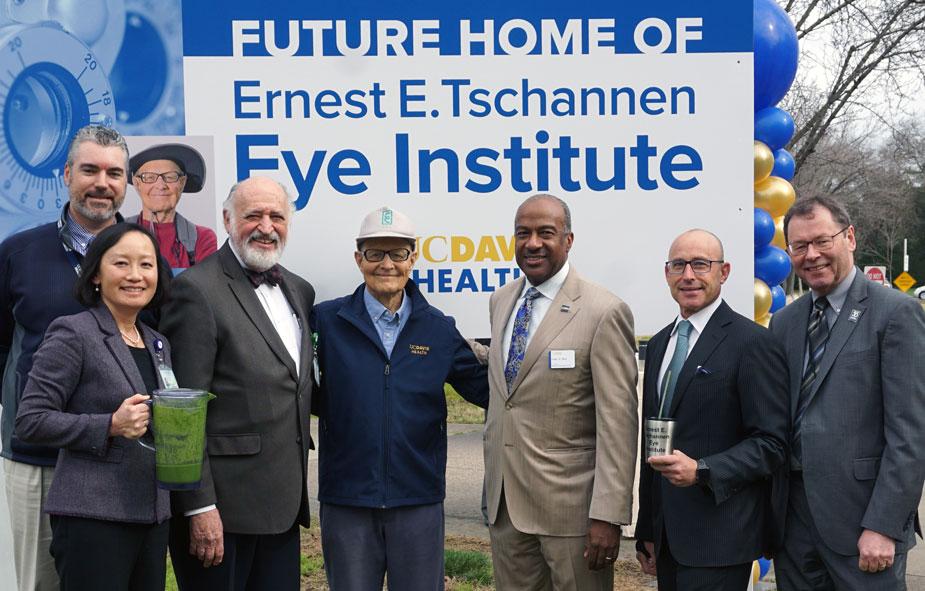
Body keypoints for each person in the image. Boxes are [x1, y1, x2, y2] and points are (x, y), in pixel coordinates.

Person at [312, 206, 489, 590]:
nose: (386, 264)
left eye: (397, 253)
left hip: (418, 500)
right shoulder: (325, 322)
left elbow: (489, 391)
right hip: (347, 499)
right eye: (375, 253)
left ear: (414, 257)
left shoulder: (438, 329)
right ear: (358, 258)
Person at [159, 177, 315, 591]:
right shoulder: (195, 291)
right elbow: (181, 411)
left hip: (281, 508)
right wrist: (199, 507)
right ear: (227, 220)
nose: (266, 226)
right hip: (221, 516)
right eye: (253, 215)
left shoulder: (299, 290)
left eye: (277, 216)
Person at [478, 193, 638, 590]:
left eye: (545, 233)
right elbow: (508, 394)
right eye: (523, 233)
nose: (533, 243)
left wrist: (608, 514)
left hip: (575, 518)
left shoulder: (604, 311)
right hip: (506, 508)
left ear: (568, 240)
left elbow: (618, 424)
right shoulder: (501, 301)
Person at [770, 196, 925, 590]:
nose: (812, 255)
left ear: (850, 237)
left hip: (863, 527)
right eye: (799, 246)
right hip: (794, 526)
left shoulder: (896, 313)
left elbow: (910, 434)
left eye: (823, 241)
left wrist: (884, 525)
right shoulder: (785, 322)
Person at [0, 124, 129, 591]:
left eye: (114, 173)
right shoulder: (19, 253)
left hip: (120, 457)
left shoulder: (143, 256)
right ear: (66, 173)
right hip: (37, 458)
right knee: (40, 582)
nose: (102, 183)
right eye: (89, 169)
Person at [15, 223, 173, 591]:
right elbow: (31, 420)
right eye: (122, 263)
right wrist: (109, 425)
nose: (135, 275)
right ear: (97, 275)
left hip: (151, 514)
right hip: (93, 517)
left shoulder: (158, 343)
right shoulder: (73, 332)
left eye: (146, 265)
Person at [634, 229, 789, 591]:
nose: (688, 275)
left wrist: (703, 470)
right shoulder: (658, 345)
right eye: (678, 265)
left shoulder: (752, 343)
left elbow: (771, 443)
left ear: (725, 272)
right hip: (668, 538)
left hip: (719, 541)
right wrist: (647, 529)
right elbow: (653, 442)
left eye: (701, 264)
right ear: (667, 273)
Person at [127, 143, 217, 272]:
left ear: (182, 183)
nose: (160, 185)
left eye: (170, 177)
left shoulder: (201, 238)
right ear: (136, 183)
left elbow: (204, 289)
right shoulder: (117, 232)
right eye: (149, 177)